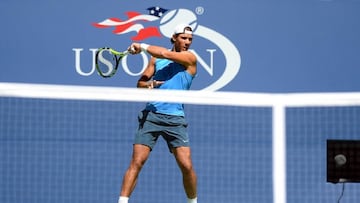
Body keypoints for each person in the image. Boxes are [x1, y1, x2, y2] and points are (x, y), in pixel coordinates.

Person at [118, 24, 198, 203]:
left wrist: (142, 46)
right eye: (184, 38)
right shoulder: (155, 60)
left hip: (175, 119)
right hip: (152, 116)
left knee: (186, 165)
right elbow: (140, 85)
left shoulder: (190, 58)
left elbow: (166, 54)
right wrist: (150, 85)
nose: (187, 42)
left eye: (190, 40)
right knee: (137, 162)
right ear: (174, 38)